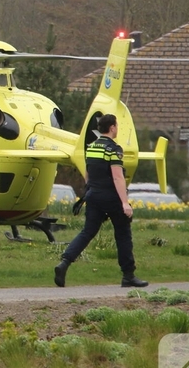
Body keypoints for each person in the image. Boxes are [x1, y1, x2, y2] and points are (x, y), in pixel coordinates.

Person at [54, 113, 148, 288]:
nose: (117, 129)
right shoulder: (114, 149)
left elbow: (88, 173)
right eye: (117, 126)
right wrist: (125, 203)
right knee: (123, 234)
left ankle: (65, 262)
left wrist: (89, 191)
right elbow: (118, 178)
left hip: (93, 195)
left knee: (87, 232)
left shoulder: (92, 147)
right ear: (112, 128)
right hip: (111, 196)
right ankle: (128, 275)